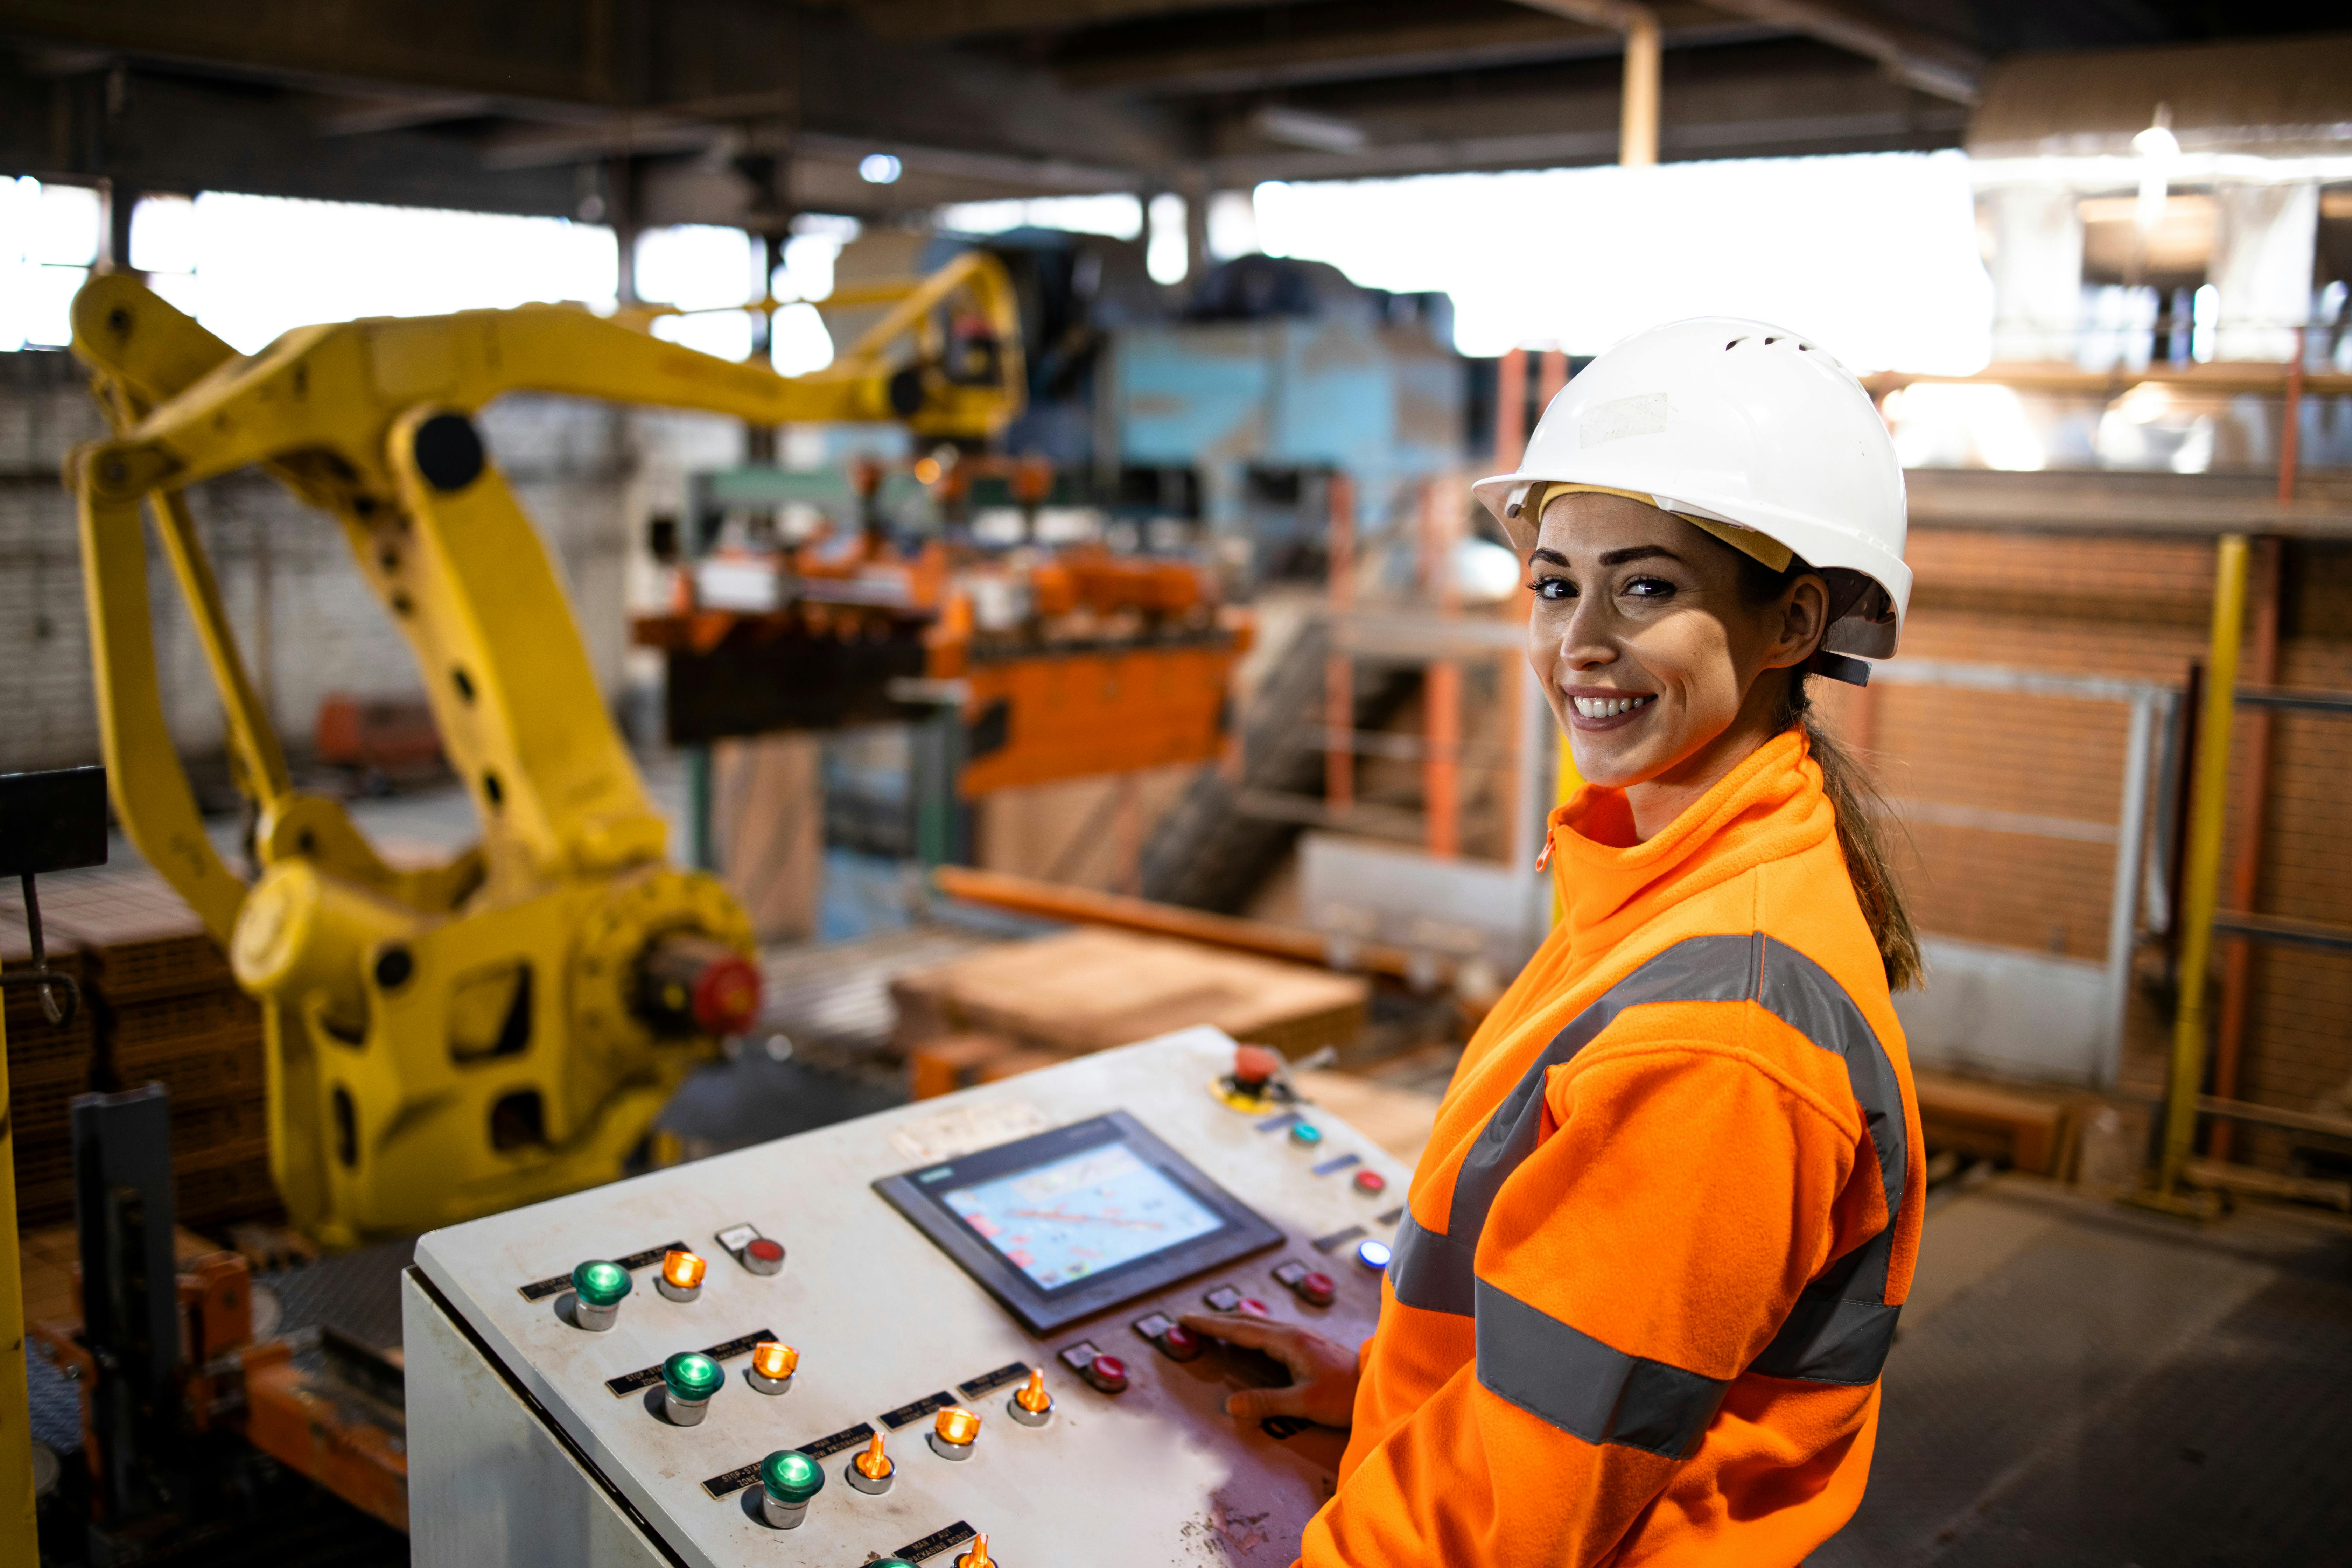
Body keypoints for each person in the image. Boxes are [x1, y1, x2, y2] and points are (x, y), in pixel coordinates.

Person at [1183, 317, 1927, 1566]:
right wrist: (1383, 1394)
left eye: (1647, 587)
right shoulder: (1658, 886)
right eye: (1554, 582)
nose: (1579, 641)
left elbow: (1506, 1515)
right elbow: (1579, 1357)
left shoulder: (1720, 1036)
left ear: (1794, 623)